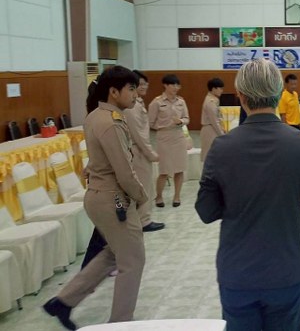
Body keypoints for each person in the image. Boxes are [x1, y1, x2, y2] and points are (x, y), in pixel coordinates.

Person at [195, 59, 300, 331]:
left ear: (241, 96)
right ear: (280, 94)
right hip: (285, 269)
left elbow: (206, 211)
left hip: (237, 273)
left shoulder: (221, 147)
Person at [43, 66, 148, 329]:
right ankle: (120, 323)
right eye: (131, 89)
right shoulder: (111, 123)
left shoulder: (95, 116)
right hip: (114, 199)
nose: (135, 94)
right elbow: (124, 172)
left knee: (113, 253)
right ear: (114, 92)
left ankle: (63, 301)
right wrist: (141, 196)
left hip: (100, 196)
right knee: (133, 261)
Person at [123, 70, 164, 233]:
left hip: (141, 149)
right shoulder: (132, 107)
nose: (144, 87)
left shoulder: (138, 103)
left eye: (146, 84)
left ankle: (142, 218)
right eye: (140, 84)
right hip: (138, 151)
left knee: (145, 185)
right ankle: (143, 221)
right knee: (143, 186)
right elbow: (137, 134)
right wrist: (149, 153)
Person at [148, 74, 190, 208]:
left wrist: (181, 121)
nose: (176, 88)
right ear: (165, 85)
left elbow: (187, 118)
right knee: (164, 170)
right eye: (173, 85)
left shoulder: (181, 101)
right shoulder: (156, 102)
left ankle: (177, 196)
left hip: (178, 136)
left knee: (179, 168)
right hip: (164, 137)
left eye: (178, 85)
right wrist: (162, 127)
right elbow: (150, 122)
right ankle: (159, 196)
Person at [200, 77, 225, 162]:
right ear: (213, 89)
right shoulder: (210, 101)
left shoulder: (214, 99)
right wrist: (222, 134)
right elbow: (215, 121)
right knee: (210, 156)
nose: (222, 91)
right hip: (210, 130)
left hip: (213, 129)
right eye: (220, 88)